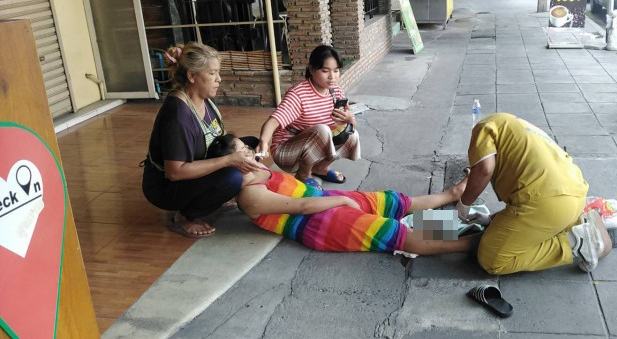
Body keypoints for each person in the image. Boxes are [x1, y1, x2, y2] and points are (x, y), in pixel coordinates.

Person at [208, 134, 481, 255]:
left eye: (246, 147)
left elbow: (304, 191)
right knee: (395, 233)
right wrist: (339, 198)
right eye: (241, 151)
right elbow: (301, 206)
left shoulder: (260, 172)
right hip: (319, 223)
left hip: (324, 203)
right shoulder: (249, 195)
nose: (248, 151)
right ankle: (469, 243)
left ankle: (452, 199)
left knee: (394, 202)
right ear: (229, 163)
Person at [456, 113, 613, 274]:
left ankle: (575, 243)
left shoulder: (483, 129)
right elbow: (527, 191)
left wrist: (464, 204)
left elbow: (484, 170)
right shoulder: (512, 127)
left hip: (549, 205)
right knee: (527, 219)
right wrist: (489, 219)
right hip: (575, 196)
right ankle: (579, 225)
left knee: (491, 259)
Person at [142, 43, 263, 238]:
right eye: (213, 73)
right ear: (191, 76)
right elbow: (175, 172)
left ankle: (216, 194)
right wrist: (229, 160)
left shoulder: (204, 98)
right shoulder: (178, 116)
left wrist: (246, 150)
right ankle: (185, 216)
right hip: (166, 187)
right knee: (232, 176)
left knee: (252, 143)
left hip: (199, 161)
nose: (219, 79)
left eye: (218, 72)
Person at [256, 45, 360, 190]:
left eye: (336, 71)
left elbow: (351, 124)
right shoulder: (299, 94)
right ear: (311, 69)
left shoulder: (335, 90)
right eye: (325, 71)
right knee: (322, 130)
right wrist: (263, 142)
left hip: (313, 147)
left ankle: (320, 168)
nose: (332, 76)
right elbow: (273, 121)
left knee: (351, 133)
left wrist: (349, 118)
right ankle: (303, 175)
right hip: (287, 151)